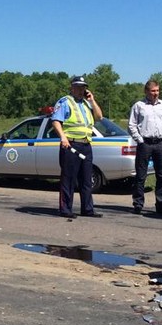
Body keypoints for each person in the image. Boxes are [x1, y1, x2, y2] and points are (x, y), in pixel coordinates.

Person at [51, 75, 104, 219]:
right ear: (72, 88)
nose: (81, 90)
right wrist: (63, 137)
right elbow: (56, 121)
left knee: (86, 179)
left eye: (83, 87)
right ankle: (65, 209)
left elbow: (99, 117)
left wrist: (92, 100)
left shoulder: (87, 104)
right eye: (78, 87)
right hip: (71, 144)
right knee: (68, 179)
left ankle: (87, 209)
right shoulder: (65, 102)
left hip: (86, 144)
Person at [127, 80, 162, 216]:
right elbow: (132, 125)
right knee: (141, 176)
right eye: (153, 91)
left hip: (160, 144)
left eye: (157, 91)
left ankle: (161, 205)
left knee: (161, 176)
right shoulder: (139, 106)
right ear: (146, 91)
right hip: (145, 144)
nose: (156, 93)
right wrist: (140, 140)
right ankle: (138, 204)